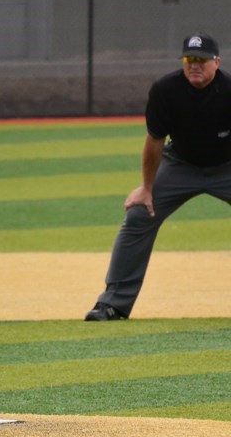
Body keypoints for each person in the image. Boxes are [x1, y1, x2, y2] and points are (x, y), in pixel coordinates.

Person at [85, 32, 231, 321]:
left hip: (228, 164)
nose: (195, 66)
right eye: (189, 59)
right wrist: (146, 188)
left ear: (217, 62)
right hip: (181, 164)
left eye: (202, 60)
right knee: (140, 214)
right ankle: (113, 304)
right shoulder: (166, 90)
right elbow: (154, 140)